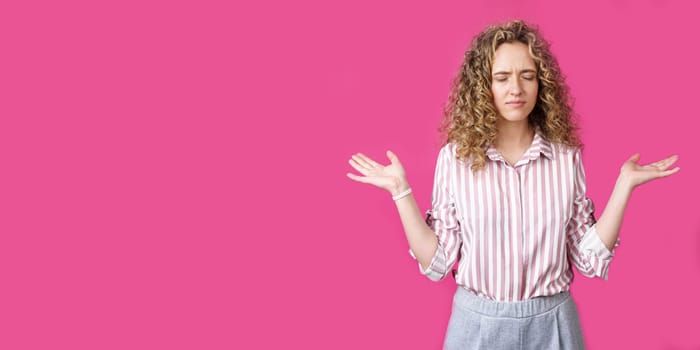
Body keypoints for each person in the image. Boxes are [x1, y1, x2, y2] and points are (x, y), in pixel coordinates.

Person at [346, 19, 679, 349]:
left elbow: (588, 259)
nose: (516, 89)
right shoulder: (455, 159)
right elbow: (438, 262)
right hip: (475, 327)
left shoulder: (566, 158)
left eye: (527, 76)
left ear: (541, 83)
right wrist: (401, 192)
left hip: (554, 326)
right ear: (483, 86)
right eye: (502, 78)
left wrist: (624, 184)